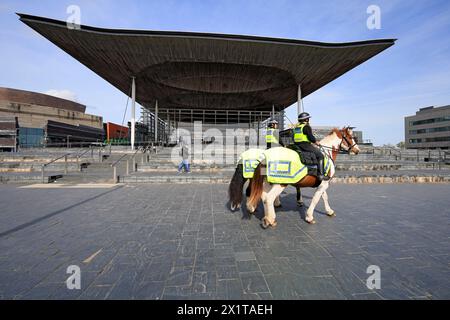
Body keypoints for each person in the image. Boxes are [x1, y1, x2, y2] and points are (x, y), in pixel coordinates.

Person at [292, 112, 327, 180]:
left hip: (297, 145)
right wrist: (316, 142)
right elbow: (311, 137)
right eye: (308, 118)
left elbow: (293, 137)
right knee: (320, 156)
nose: (308, 120)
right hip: (305, 145)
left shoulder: (296, 128)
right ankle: (321, 175)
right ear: (306, 120)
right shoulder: (306, 127)